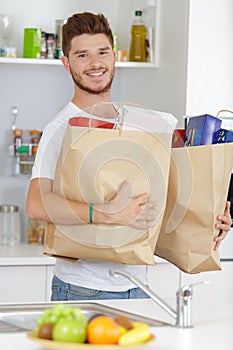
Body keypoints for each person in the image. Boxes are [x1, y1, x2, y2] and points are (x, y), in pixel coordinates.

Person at [26, 12, 232, 301]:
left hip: (139, 286)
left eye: (102, 52)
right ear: (66, 63)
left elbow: (169, 197)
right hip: (82, 288)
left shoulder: (139, 123)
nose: (95, 63)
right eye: (82, 55)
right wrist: (104, 213)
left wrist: (211, 219)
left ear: (114, 56)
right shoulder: (60, 128)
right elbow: (36, 205)